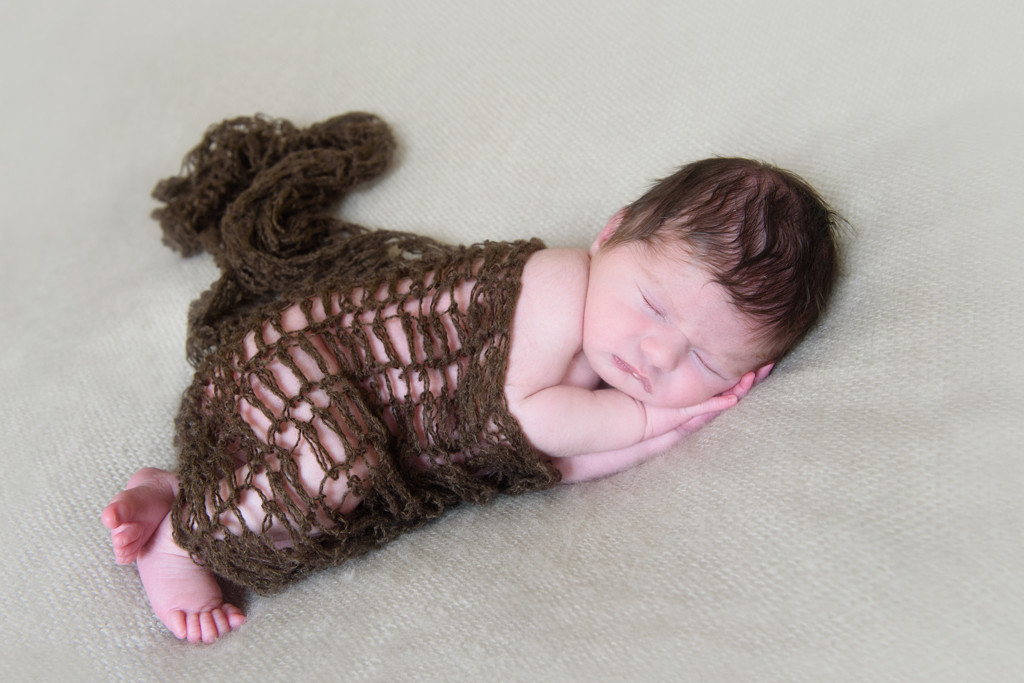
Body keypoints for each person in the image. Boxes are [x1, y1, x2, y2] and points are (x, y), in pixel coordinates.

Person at [102, 114, 840, 643]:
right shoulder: (555, 281)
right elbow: (526, 419)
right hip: (301, 365)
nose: (657, 355)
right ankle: (187, 541)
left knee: (340, 476)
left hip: (328, 412)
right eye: (652, 305)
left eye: (705, 361)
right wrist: (653, 421)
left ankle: (182, 485)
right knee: (333, 469)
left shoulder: (599, 383)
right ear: (610, 234)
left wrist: (663, 437)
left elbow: (555, 464)